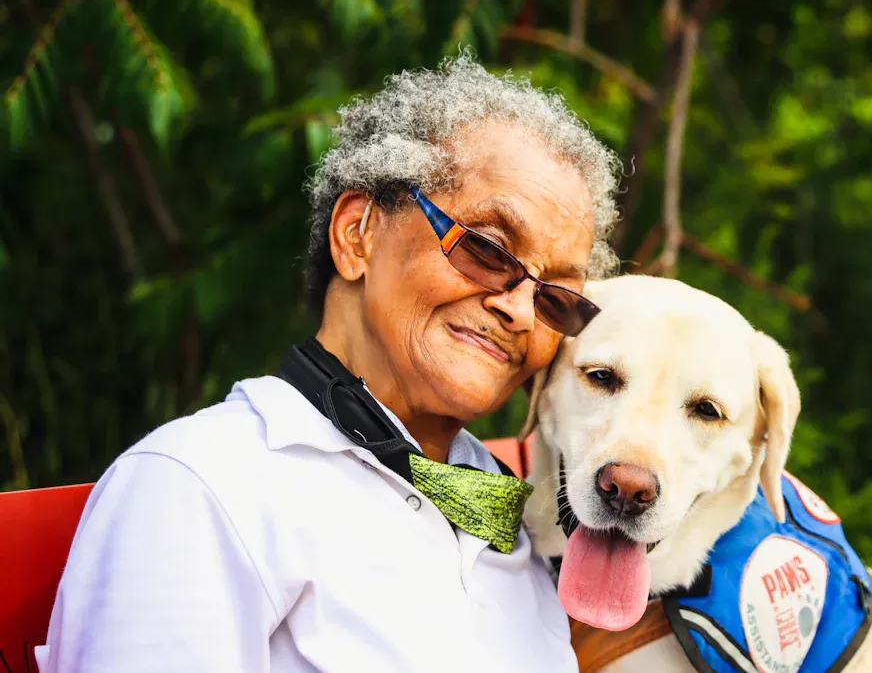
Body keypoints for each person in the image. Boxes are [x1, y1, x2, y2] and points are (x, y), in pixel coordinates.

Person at [34, 53, 623, 673]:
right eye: (487, 248)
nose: (522, 313)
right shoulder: (200, 486)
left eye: (556, 296)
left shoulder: (515, 513)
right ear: (358, 233)